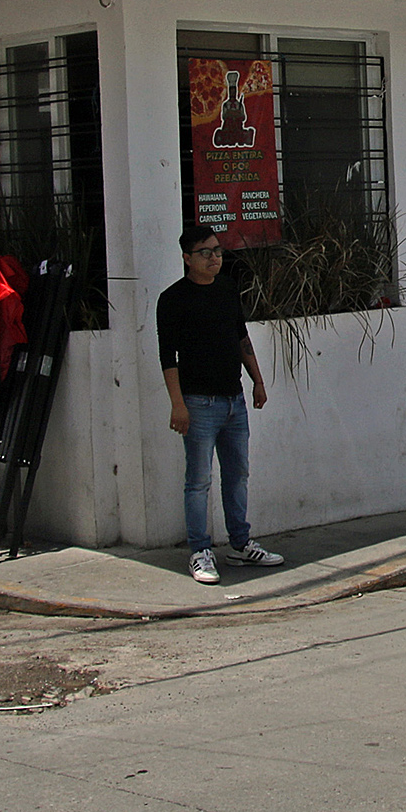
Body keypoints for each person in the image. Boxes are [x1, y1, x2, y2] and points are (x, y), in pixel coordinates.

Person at [157, 224, 285, 584]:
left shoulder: (227, 289)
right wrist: (177, 403)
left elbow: (241, 336)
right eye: (205, 252)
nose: (214, 258)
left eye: (217, 250)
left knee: (237, 473)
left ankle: (241, 543)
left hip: (234, 399)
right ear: (187, 258)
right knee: (198, 480)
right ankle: (200, 551)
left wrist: (257, 380)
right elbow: (168, 355)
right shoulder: (173, 299)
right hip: (198, 403)